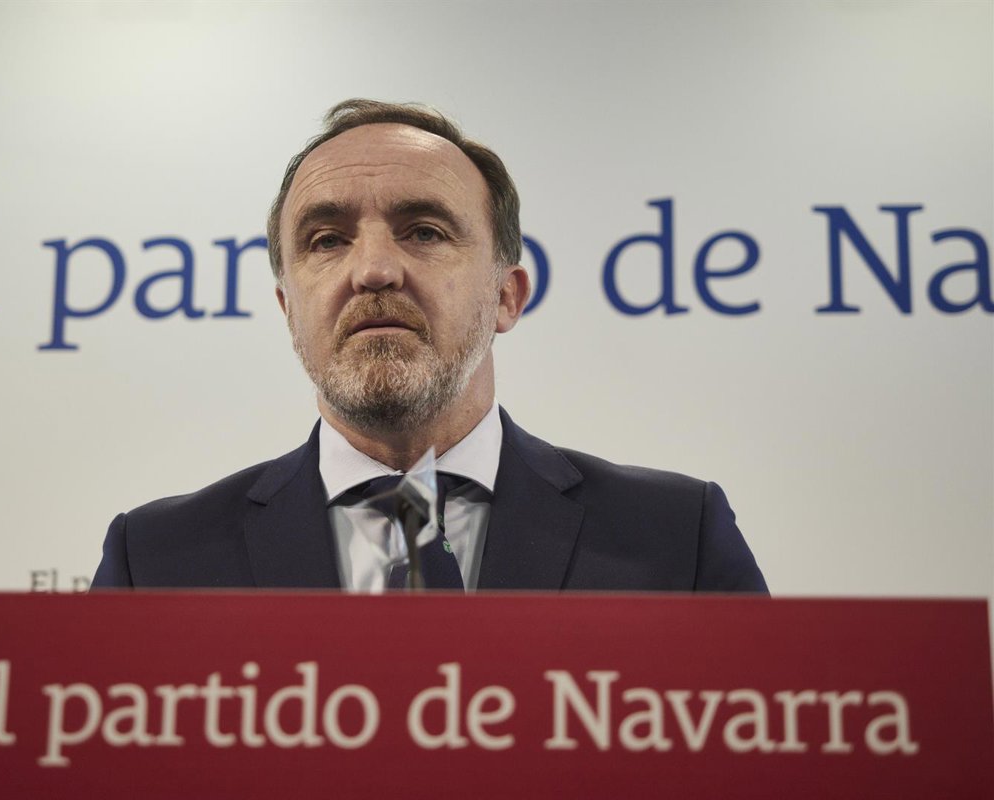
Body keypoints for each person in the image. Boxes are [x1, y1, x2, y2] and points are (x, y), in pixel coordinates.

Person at [92, 99, 767, 594]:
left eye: (424, 231)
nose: (373, 270)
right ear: (287, 309)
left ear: (506, 296)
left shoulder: (677, 537)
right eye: (327, 240)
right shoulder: (153, 560)